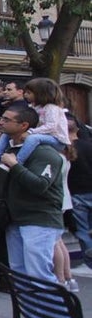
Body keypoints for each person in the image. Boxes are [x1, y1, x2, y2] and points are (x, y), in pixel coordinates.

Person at [0, 106, 66, 287]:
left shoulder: (45, 153)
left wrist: (14, 166)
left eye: (6, 119)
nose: (1, 122)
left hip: (39, 219)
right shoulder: (14, 149)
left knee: (39, 274)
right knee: (19, 273)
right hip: (16, 218)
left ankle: (53, 314)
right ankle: (32, 313)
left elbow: (39, 185)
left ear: (24, 125)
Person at [0, 77, 69, 165]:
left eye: (29, 93)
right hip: (42, 134)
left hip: (56, 138)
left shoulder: (51, 108)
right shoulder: (35, 107)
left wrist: (31, 132)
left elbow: (51, 126)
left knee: (32, 138)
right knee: (7, 133)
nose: (25, 95)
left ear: (40, 94)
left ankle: (18, 162)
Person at [67, 115, 92, 275]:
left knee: (82, 230)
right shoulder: (89, 145)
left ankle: (90, 262)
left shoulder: (66, 149)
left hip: (76, 192)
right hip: (88, 190)